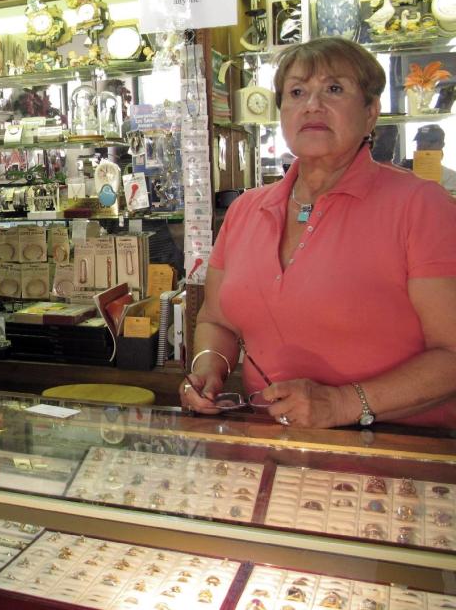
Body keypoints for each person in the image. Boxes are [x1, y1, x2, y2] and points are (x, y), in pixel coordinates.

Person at [181, 37, 456, 429]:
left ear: (371, 112)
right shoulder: (245, 210)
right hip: (274, 444)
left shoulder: (422, 206)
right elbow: (216, 321)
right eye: (297, 92)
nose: (312, 104)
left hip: (396, 449)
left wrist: (344, 403)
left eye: (334, 89)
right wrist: (209, 369)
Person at [412, 124, 456, 194]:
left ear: (442, 144)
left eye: (429, 144)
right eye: (419, 144)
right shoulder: (408, 173)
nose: (423, 149)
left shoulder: (451, 177)